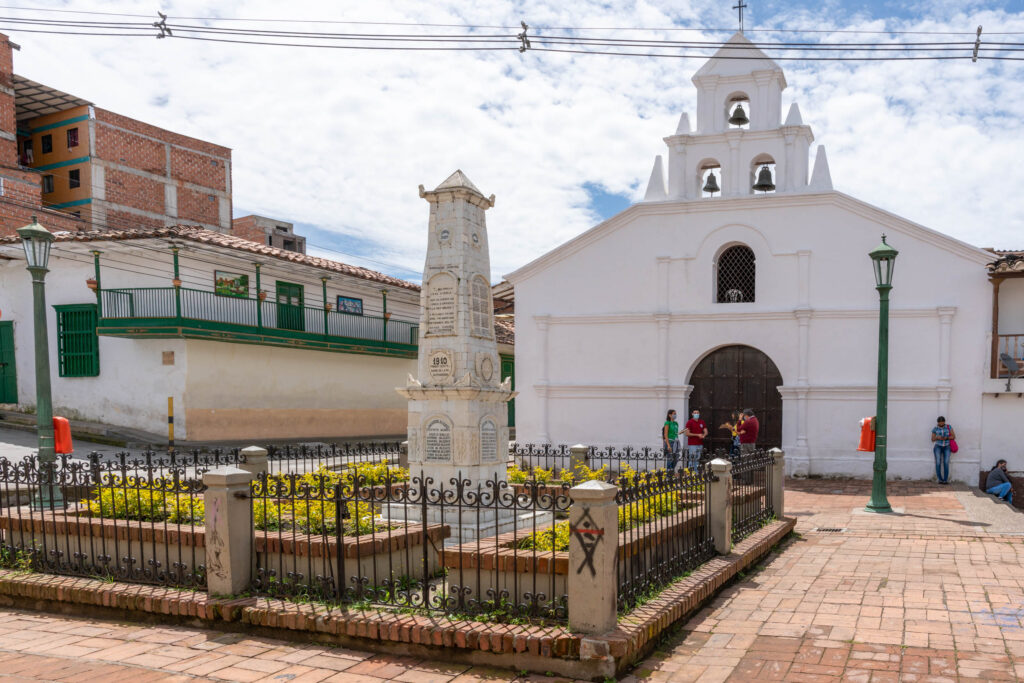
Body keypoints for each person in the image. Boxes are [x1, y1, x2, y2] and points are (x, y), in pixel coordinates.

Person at [930, 416, 956, 484]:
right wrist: (937, 437)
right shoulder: (935, 429)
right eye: (940, 423)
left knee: (946, 462)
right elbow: (932, 439)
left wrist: (947, 437)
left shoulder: (948, 427)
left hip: (947, 446)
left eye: (942, 422)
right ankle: (940, 479)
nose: (941, 424)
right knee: (938, 462)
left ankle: (945, 480)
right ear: (938, 422)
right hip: (938, 446)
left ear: (944, 422)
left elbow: (953, 436)